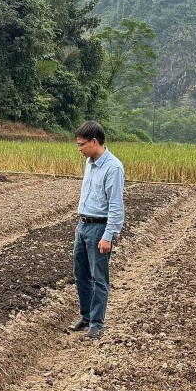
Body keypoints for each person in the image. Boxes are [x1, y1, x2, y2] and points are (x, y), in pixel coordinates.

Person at [68, 121, 125, 339]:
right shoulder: (89, 163)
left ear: (94, 141)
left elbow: (116, 206)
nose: (79, 149)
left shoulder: (113, 167)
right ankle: (86, 316)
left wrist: (108, 236)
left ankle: (97, 323)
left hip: (99, 228)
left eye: (82, 145)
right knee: (80, 273)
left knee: (99, 277)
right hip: (82, 225)